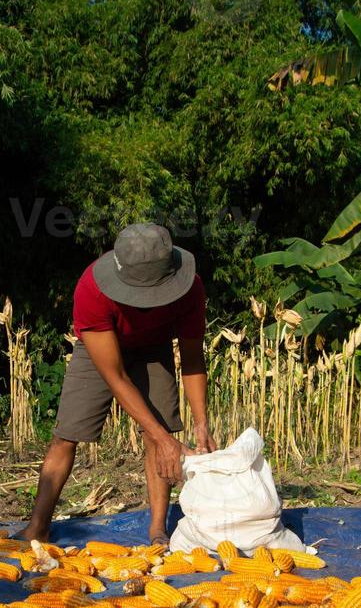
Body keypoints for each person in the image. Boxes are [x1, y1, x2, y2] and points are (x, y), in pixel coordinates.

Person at [17, 222, 216, 544]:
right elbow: (115, 377)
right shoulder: (91, 289)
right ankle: (37, 526)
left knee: (159, 435)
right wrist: (164, 439)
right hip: (102, 351)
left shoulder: (190, 288)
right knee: (66, 435)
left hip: (154, 349)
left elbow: (193, 360)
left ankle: (156, 530)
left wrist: (202, 424)